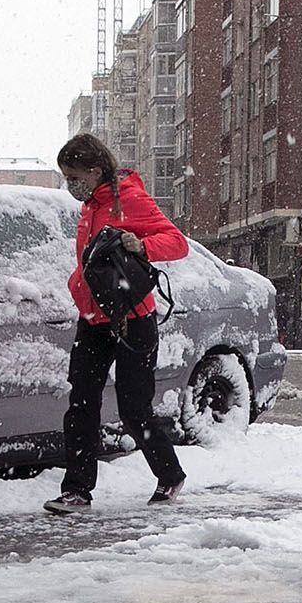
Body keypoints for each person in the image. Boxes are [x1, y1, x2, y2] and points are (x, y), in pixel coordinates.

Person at [45, 132, 190, 515]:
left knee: (134, 410)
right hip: (93, 319)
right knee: (81, 404)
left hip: (133, 320)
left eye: (74, 177)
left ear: (95, 171)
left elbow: (176, 242)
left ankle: (170, 475)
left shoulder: (131, 199)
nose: (70, 186)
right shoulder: (91, 205)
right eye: (65, 178)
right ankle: (77, 490)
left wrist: (142, 246)